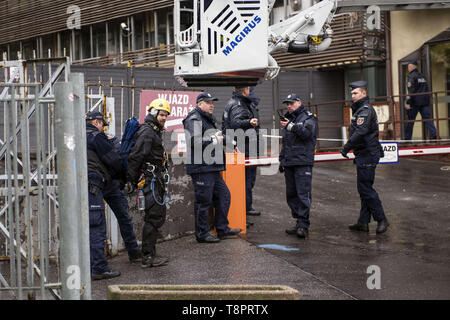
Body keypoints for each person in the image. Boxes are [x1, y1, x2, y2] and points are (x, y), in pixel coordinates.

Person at [86, 111, 140, 281]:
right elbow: (113, 160)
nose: (103, 127)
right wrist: (125, 178)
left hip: (101, 182)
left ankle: (133, 251)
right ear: (96, 122)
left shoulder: (77, 136)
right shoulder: (95, 135)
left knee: (117, 216)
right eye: (102, 123)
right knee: (98, 224)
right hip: (97, 182)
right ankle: (99, 267)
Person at [183, 92, 242, 243]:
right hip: (202, 168)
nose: (212, 105)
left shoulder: (207, 119)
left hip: (212, 167)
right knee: (203, 202)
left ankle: (222, 229)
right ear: (199, 104)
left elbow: (218, 135)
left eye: (212, 102)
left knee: (224, 196)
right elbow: (194, 142)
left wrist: (232, 144)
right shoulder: (194, 119)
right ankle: (202, 234)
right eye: (208, 102)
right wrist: (214, 139)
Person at [127, 99, 171, 268]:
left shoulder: (154, 132)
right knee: (153, 218)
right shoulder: (147, 133)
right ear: (153, 113)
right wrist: (130, 180)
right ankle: (147, 257)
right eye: (161, 114)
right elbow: (136, 157)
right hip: (150, 181)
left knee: (157, 217)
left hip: (156, 180)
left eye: (166, 115)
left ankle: (150, 252)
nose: (164, 118)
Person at [340, 81, 389, 234]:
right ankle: (363, 222)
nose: (352, 96)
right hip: (365, 153)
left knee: (365, 189)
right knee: (364, 189)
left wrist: (346, 147)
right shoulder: (360, 109)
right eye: (352, 93)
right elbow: (367, 132)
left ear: (364, 94)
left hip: (367, 154)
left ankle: (382, 219)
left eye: (355, 93)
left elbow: (361, 132)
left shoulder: (365, 110)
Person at [279, 93, 317, 239]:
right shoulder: (290, 119)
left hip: (302, 162)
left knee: (303, 194)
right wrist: (282, 159)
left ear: (299, 103)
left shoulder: (308, 117)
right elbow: (287, 142)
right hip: (290, 162)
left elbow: (307, 133)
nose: (289, 106)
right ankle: (298, 221)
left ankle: (303, 224)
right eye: (287, 104)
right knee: (291, 194)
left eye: (291, 103)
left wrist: (291, 126)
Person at [222, 86, 261, 217]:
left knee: (246, 181)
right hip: (242, 148)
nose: (252, 92)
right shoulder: (238, 104)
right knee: (244, 182)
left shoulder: (240, 103)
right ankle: (241, 213)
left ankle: (245, 208)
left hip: (243, 147)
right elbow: (235, 123)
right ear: (245, 90)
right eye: (250, 89)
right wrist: (249, 122)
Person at [404, 61, 437, 140]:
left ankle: (407, 139)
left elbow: (411, 90)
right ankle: (435, 135)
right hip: (424, 102)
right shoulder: (422, 76)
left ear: (412, 67)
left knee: (410, 120)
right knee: (428, 119)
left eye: (409, 66)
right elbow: (426, 88)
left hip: (415, 102)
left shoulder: (411, 76)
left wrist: (408, 102)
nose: (408, 68)